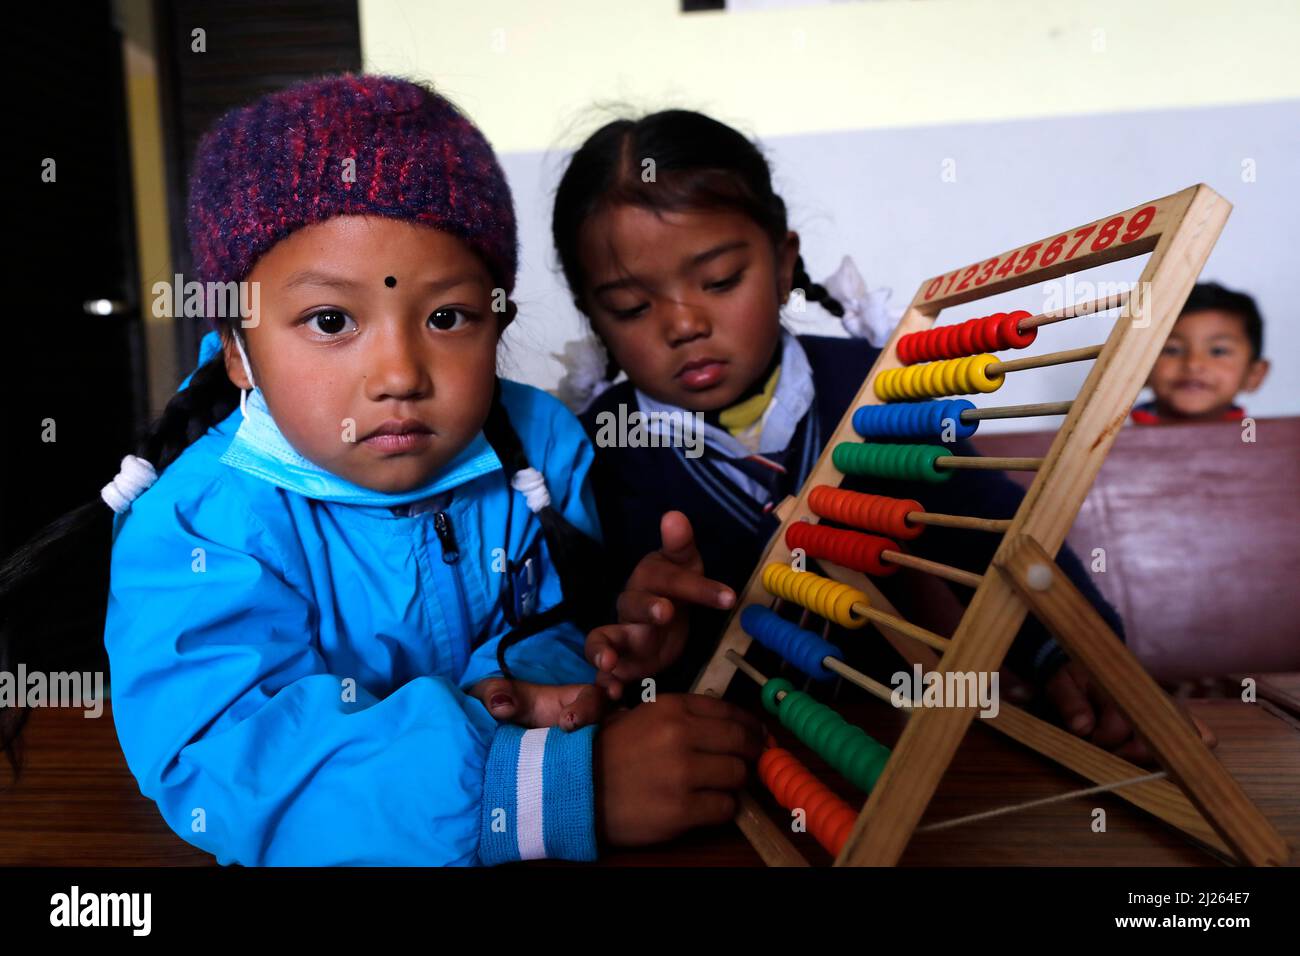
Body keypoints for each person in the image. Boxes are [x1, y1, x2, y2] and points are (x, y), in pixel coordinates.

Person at [0, 76, 762, 865]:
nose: (400, 373)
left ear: (497, 317)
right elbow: (227, 765)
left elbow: (553, 622)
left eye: (446, 317)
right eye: (330, 321)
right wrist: (542, 786)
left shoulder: (542, 447)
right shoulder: (200, 523)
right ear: (238, 349)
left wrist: (526, 683)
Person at [551, 108, 1161, 761]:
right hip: (705, 765)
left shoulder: (875, 390)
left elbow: (987, 528)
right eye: (631, 307)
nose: (683, 324)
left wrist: (1064, 648)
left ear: (784, 265)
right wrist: (623, 646)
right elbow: (579, 626)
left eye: (721, 280)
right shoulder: (590, 453)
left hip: (892, 745)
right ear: (594, 316)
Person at [1132, 281, 1270, 425]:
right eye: (1172, 350)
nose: (1193, 364)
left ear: (1254, 374)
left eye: (1218, 351)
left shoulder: (1266, 442)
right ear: (1141, 366)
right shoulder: (1110, 436)